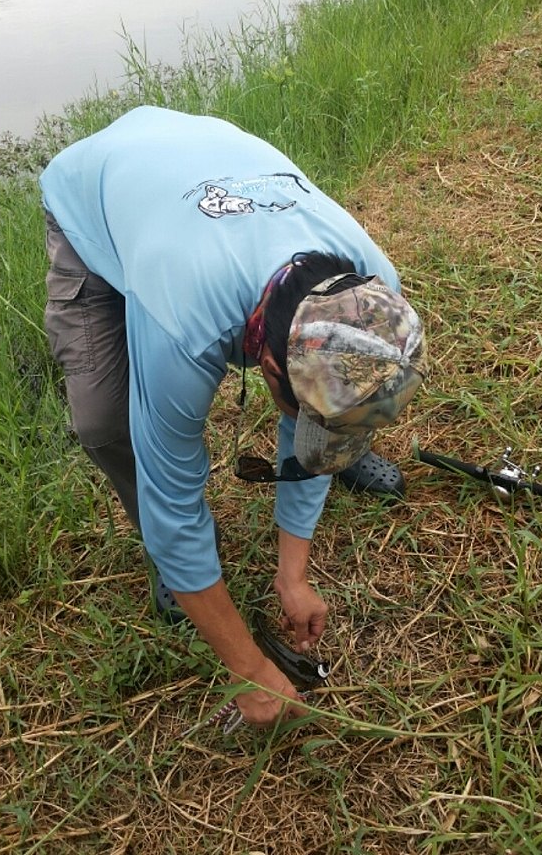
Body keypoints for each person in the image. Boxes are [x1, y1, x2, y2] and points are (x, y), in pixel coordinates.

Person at [40, 106, 427, 728]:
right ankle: (183, 569)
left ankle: (341, 429)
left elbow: (329, 369)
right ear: (267, 368)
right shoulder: (184, 325)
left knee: (338, 390)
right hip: (98, 198)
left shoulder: (376, 292)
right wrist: (247, 670)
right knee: (105, 423)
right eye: (319, 421)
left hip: (204, 167)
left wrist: (291, 575)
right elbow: (176, 499)